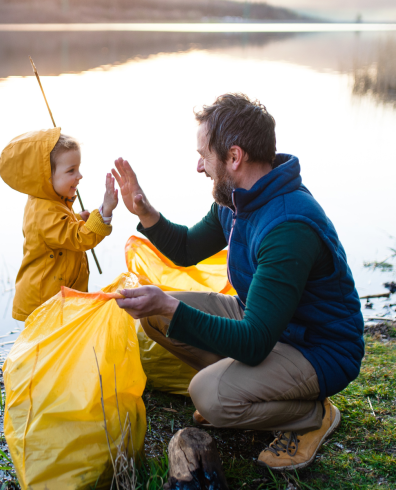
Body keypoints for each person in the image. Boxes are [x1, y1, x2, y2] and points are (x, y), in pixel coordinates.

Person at [112, 93, 364, 471]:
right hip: (267, 322)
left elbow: (254, 340)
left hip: (317, 347)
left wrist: (169, 304)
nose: (199, 166)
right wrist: (144, 210)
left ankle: (311, 415)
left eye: (204, 155)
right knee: (156, 319)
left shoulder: (287, 226)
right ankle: (252, 392)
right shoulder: (237, 200)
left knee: (207, 395)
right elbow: (185, 248)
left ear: (234, 156)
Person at [0, 127, 118, 322]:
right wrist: (105, 211)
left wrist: (78, 218)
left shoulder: (49, 200)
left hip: (56, 298)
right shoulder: (45, 211)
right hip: (46, 302)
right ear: (46, 177)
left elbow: (61, 230)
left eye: (78, 168)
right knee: (49, 349)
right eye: (71, 170)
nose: (79, 175)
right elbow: (78, 238)